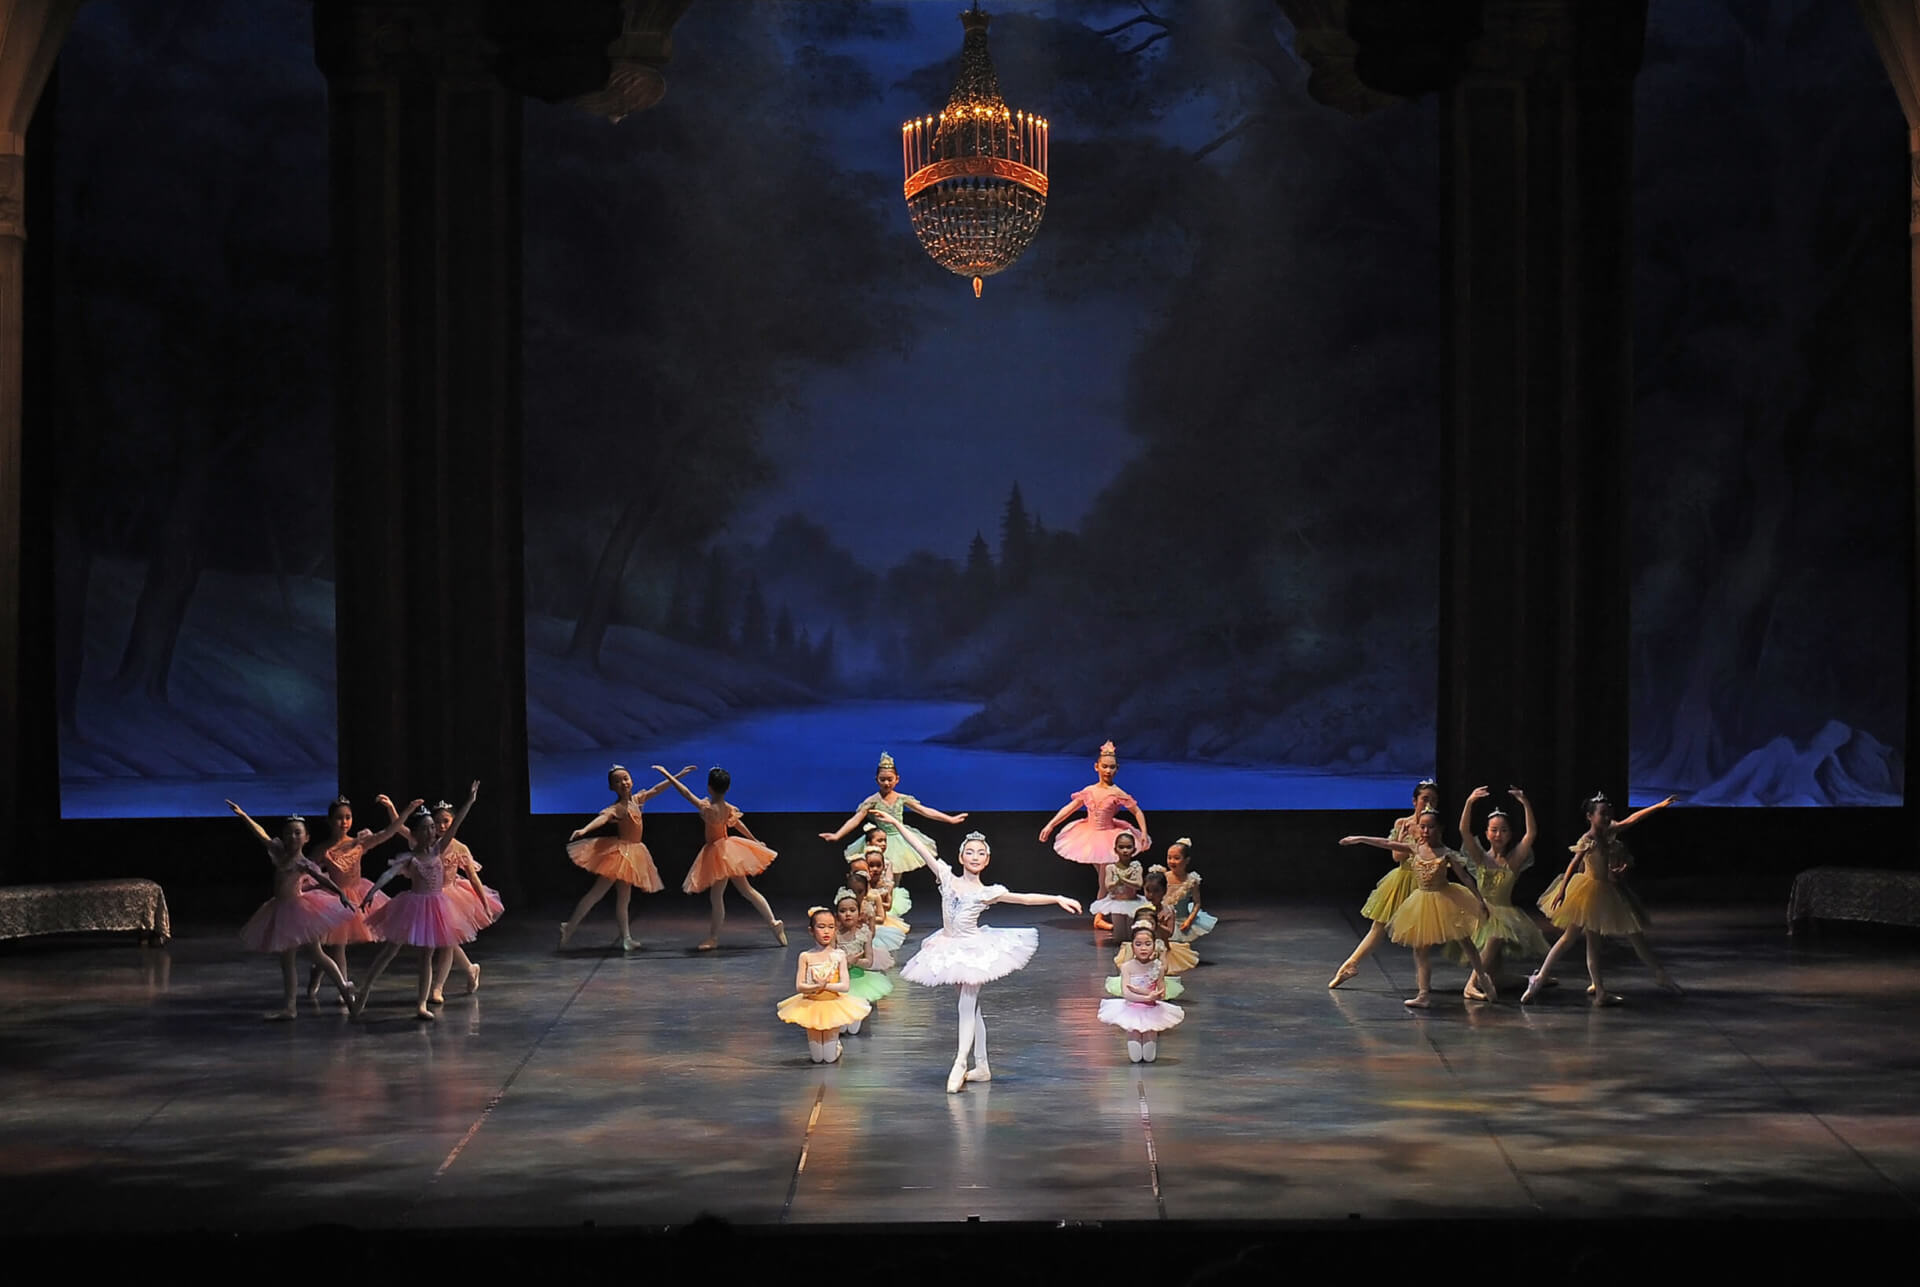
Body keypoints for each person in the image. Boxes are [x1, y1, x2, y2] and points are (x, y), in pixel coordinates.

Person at [896, 828, 1083, 1092]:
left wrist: (1056, 898)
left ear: (987, 860)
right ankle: (982, 1066)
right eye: (970, 852)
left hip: (974, 949)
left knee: (966, 1003)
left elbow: (1024, 899)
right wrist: (896, 823)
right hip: (948, 946)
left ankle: (960, 1062)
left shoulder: (988, 892)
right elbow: (920, 847)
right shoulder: (946, 877)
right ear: (961, 857)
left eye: (981, 853)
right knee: (972, 1008)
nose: (975, 857)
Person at [559, 764, 691, 951]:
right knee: (597, 893)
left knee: (624, 899)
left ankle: (626, 938)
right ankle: (570, 926)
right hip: (620, 854)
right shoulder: (619, 808)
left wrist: (675, 775)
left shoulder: (637, 800)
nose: (623, 783)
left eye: (625, 778)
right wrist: (585, 829)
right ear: (612, 787)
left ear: (632, 780)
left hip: (632, 855)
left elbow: (656, 789)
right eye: (617, 781)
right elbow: (603, 818)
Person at [661, 765, 785, 950]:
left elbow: (686, 793)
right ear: (727, 788)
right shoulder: (727, 808)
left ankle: (713, 937)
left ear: (709, 787)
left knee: (717, 896)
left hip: (719, 854)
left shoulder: (708, 807)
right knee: (747, 891)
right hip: (729, 849)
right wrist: (754, 840)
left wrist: (668, 775)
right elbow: (739, 825)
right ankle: (773, 922)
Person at [1098, 923, 1185, 1063]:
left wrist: (1145, 993)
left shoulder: (1158, 967)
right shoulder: (1127, 967)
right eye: (1138, 944)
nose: (1143, 948)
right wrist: (1147, 997)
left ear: (1154, 946)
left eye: (1147, 944)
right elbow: (1127, 994)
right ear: (1132, 947)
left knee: (1149, 1058)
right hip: (1132, 1010)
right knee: (1136, 1057)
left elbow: (1161, 993)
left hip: (1152, 1010)